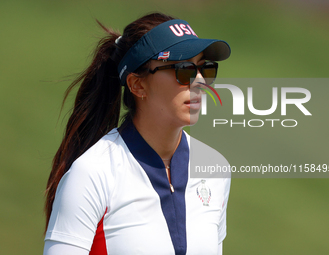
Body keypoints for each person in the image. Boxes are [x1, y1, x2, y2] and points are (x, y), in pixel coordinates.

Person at [43, 12, 231, 255]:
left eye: (205, 68)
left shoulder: (215, 169)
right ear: (137, 85)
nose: (198, 81)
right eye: (183, 69)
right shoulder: (91, 174)